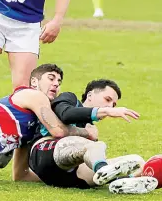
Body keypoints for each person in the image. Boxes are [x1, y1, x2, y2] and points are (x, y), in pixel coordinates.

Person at [12, 80, 158, 194]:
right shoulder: (69, 99)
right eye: (107, 100)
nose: (111, 107)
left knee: (138, 162)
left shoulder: (91, 127)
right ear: (90, 95)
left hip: (66, 178)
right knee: (97, 146)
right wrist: (103, 111)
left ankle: (126, 182)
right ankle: (104, 169)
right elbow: (66, 114)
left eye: (113, 105)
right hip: (45, 153)